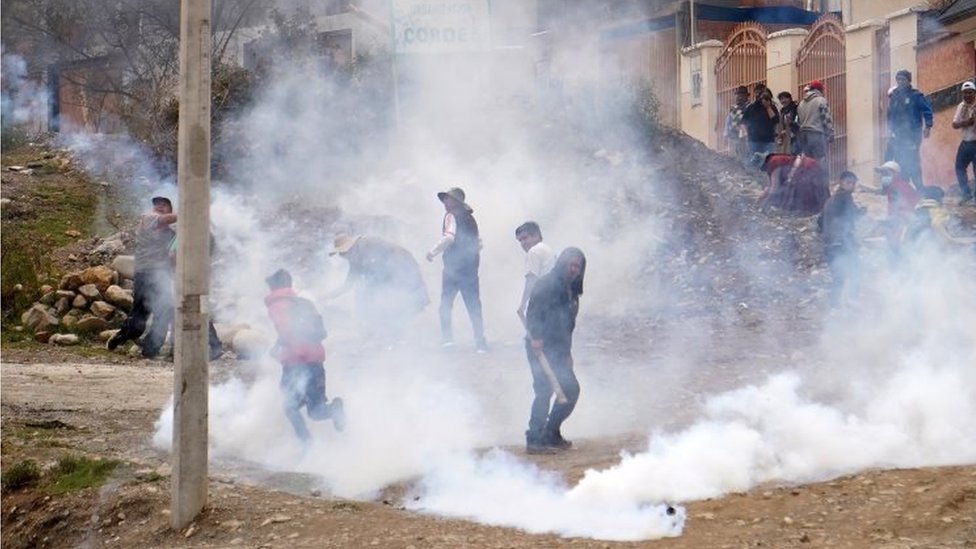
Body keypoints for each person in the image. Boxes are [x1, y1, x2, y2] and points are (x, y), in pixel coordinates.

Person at [264, 268, 344, 446]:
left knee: (289, 406)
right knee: (316, 410)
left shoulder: (277, 304)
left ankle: (306, 442)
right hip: (315, 360)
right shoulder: (302, 303)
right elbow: (296, 329)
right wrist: (278, 345)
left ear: (274, 287)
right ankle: (335, 410)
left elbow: (287, 329)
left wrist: (281, 349)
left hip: (296, 362)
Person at [524, 247, 586, 455]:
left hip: (559, 349)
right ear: (562, 263)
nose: (573, 269)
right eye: (571, 264)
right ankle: (534, 438)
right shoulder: (547, 283)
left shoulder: (572, 291)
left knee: (570, 390)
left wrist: (567, 354)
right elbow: (533, 311)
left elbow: (568, 326)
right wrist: (536, 336)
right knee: (544, 390)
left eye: (577, 266)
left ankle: (551, 433)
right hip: (540, 345)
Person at [327, 233, 429, 342]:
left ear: (348, 249)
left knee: (393, 301)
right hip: (390, 274)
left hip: (402, 268)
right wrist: (326, 296)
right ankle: (387, 336)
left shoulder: (367, 246)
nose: (341, 257)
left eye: (342, 253)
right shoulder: (355, 256)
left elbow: (377, 277)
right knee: (376, 300)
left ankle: (393, 337)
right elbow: (349, 284)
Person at [107, 196, 177, 358]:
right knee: (139, 318)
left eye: (164, 205)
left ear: (170, 208)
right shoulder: (147, 220)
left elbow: (173, 255)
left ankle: (150, 350)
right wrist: (193, 212)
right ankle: (121, 337)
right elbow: (167, 219)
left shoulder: (171, 234)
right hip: (145, 274)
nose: (159, 206)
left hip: (162, 276)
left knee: (164, 311)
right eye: (157, 205)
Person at [425, 187, 488, 352]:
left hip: (453, 268)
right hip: (470, 269)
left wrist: (432, 252)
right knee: (474, 306)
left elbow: (449, 237)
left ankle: (447, 339)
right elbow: (478, 243)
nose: (445, 202)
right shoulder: (470, 219)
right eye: (445, 199)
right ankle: (480, 343)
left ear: (456, 202)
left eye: (448, 199)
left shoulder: (451, 215)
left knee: (446, 303)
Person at [817, 171, 866, 306]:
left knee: (839, 277)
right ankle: (852, 302)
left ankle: (835, 305)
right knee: (856, 271)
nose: (851, 186)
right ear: (841, 182)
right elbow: (852, 215)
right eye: (848, 182)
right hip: (841, 244)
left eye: (853, 183)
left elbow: (819, 222)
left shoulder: (831, 199)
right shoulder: (844, 197)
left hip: (830, 245)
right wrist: (862, 212)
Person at [886, 69, 933, 190]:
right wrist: (891, 129)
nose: (900, 82)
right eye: (898, 79)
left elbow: (927, 110)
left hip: (913, 135)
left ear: (909, 81)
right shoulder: (895, 95)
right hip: (898, 136)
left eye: (903, 79)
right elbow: (890, 114)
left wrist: (928, 126)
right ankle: (903, 188)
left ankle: (919, 188)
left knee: (912, 160)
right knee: (899, 161)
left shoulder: (916, 96)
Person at [756, 152, 830, 215]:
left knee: (806, 196)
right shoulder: (774, 159)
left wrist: (764, 204)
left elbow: (774, 188)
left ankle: (811, 212)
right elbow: (771, 186)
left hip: (806, 169)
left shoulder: (773, 162)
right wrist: (760, 199)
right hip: (808, 165)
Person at [875, 160, 920, 259]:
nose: (883, 176)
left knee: (899, 258)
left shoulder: (897, 188)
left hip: (903, 229)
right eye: (882, 173)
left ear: (896, 174)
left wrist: (884, 223)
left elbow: (901, 211)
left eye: (886, 173)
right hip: (903, 228)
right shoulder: (895, 187)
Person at [515, 222, 556, 323]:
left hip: (545, 301)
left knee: (536, 335)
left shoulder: (534, 251)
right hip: (555, 299)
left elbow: (531, 279)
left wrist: (523, 305)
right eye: (520, 240)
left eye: (525, 238)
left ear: (536, 236)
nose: (522, 243)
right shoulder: (547, 249)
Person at [796, 80, 834, 165]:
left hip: (803, 135)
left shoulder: (801, 103)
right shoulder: (821, 100)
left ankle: (809, 178)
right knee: (820, 160)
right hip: (816, 134)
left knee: (807, 162)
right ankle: (821, 178)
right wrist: (830, 133)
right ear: (820, 90)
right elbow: (826, 119)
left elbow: (798, 121)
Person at [952, 80, 976, 204]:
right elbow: (954, 124)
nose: (967, 95)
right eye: (965, 93)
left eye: (970, 93)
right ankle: (966, 193)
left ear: (974, 93)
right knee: (959, 168)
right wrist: (966, 122)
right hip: (966, 142)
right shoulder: (961, 106)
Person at [742, 85, 780, 158]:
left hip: (768, 140)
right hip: (754, 140)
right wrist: (745, 133)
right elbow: (743, 122)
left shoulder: (771, 107)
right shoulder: (751, 107)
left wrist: (767, 107)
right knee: (754, 162)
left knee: (768, 161)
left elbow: (775, 120)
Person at [724, 85, 750, 165]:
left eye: (742, 95)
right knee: (733, 158)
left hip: (745, 137)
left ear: (746, 96)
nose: (739, 97)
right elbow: (728, 121)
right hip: (733, 136)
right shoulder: (734, 108)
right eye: (738, 95)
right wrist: (726, 134)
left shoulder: (749, 107)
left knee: (744, 157)